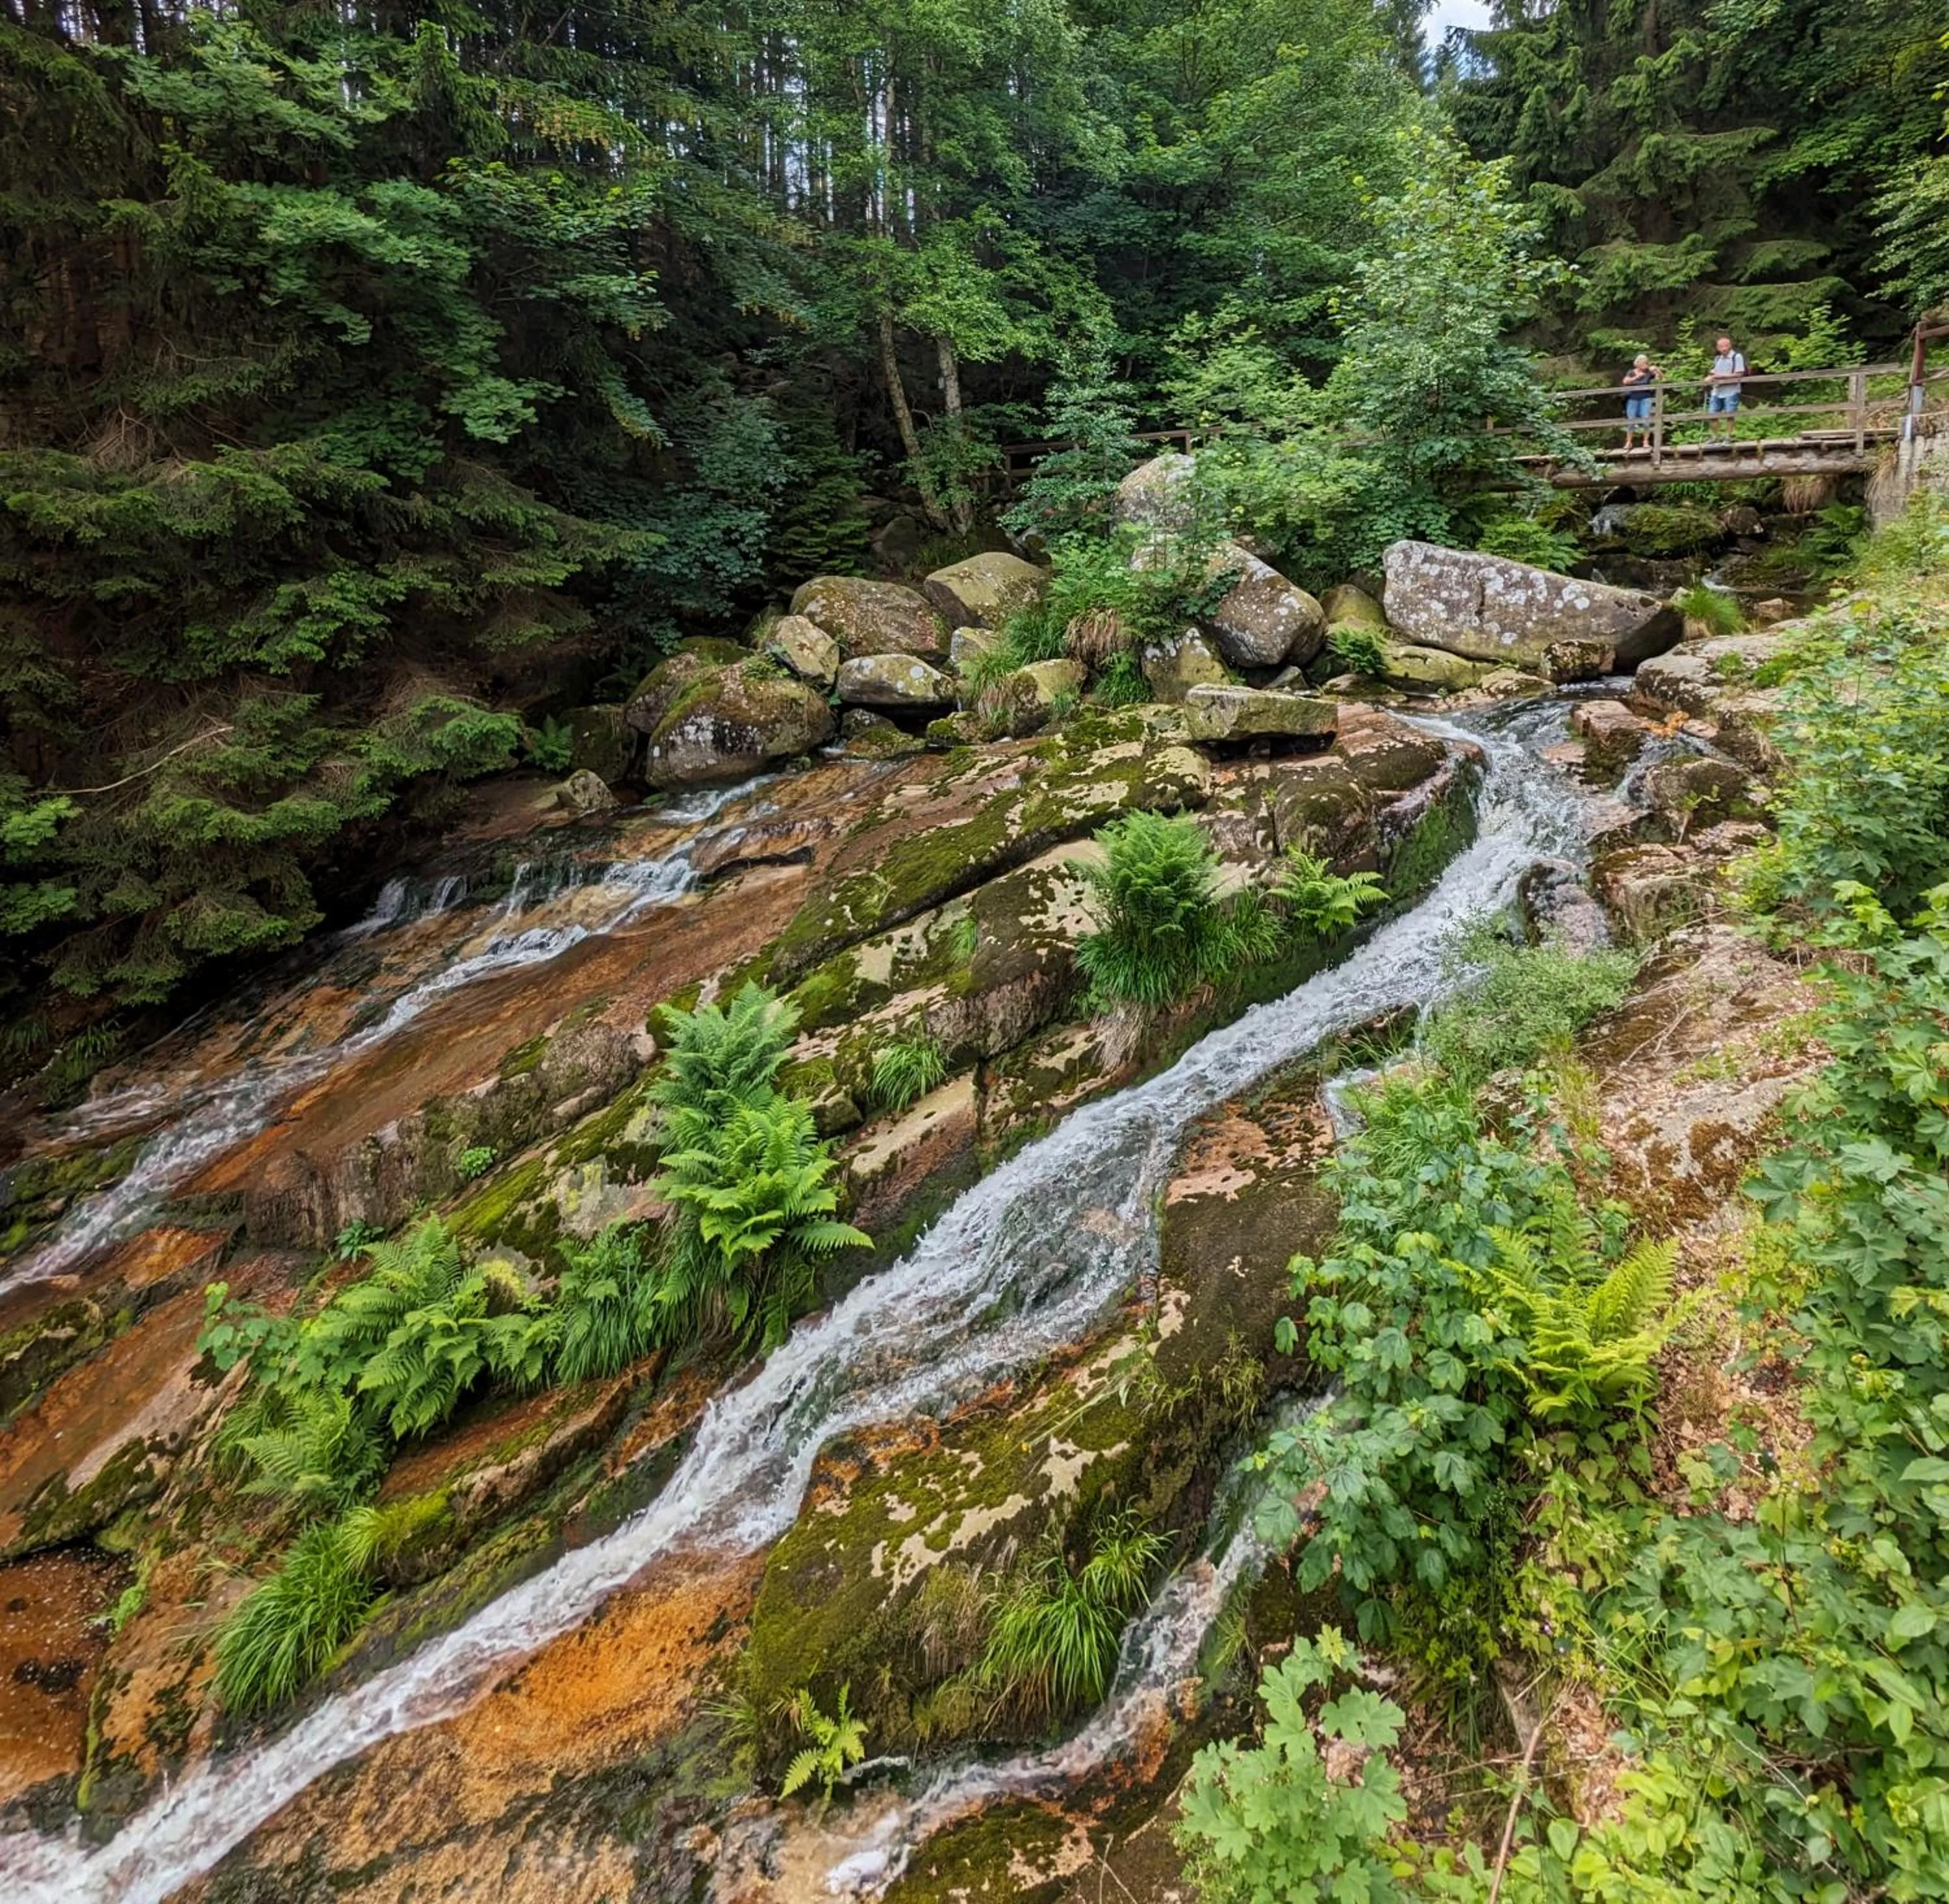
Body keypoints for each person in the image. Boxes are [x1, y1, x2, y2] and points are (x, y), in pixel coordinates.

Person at [1706, 335, 1747, 435]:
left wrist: (1718, 377)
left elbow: (1739, 374)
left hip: (1731, 391)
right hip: (1717, 391)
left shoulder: (1736, 357)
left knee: (1730, 415)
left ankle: (1728, 437)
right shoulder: (1717, 359)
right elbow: (1714, 372)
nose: (1724, 348)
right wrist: (1709, 377)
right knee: (1712, 415)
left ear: (1730, 346)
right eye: (1721, 347)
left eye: (1726, 346)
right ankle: (1715, 437)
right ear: (1717, 348)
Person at [1620, 354, 1661, 450]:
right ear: (1638, 363)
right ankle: (1629, 442)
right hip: (1633, 398)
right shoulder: (1631, 372)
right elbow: (1625, 381)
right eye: (1643, 363)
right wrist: (1637, 377)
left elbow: (1660, 378)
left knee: (1646, 420)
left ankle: (1646, 441)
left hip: (1645, 398)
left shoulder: (1648, 372)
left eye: (1646, 363)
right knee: (1631, 421)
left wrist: (1657, 370)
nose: (1644, 365)